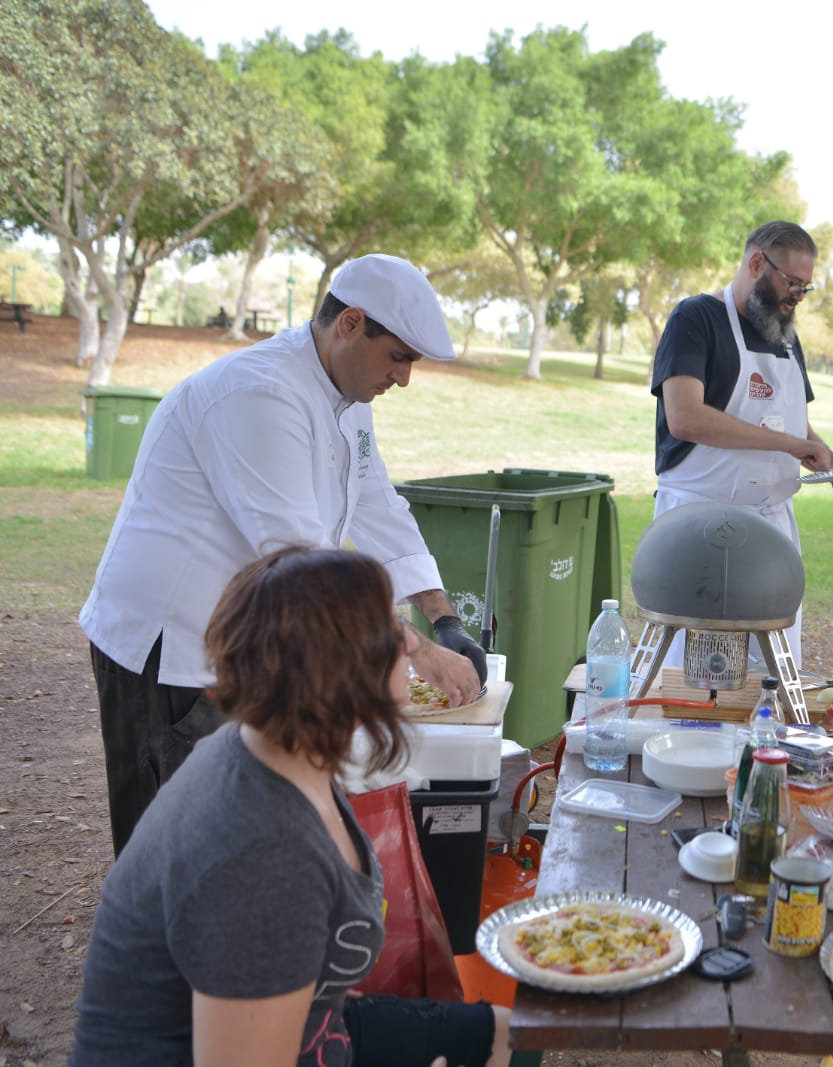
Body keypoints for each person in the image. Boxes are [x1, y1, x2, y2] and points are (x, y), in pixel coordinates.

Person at [79, 253, 487, 855]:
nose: (403, 378)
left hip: (238, 645)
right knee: (169, 848)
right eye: (398, 357)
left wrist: (444, 617)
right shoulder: (258, 394)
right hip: (168, 648)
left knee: (234, 840)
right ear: (350, 323)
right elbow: (302, 564)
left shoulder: (348, 398)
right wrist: (418, 652)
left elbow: (379, 507)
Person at [71, 546, 511, 1067]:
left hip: (309, 1022)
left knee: (504, 1035)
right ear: (342, 670)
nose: (410, 642)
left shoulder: (279, 753)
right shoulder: (260, 849)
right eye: (391, 629)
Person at [651, 221, 833, 668]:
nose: (798, 297)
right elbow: (685, 417)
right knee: (692, 676)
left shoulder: (786, 337)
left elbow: (796, 425)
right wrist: (789, 444)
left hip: (771, 531)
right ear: (757, 263)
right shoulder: (696, 319)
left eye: (806, 287)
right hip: (698, 526)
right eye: (792, 283)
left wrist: (829, 459)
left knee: (770, 674)